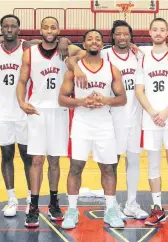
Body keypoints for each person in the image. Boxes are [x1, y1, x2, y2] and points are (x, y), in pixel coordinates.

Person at [65, 20, 149, 220]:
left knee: (134, 160)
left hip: (135, 114)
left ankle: (131, 203)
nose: (122, 37)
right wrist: (76, 68)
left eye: (125, 34)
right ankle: (114, 205)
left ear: (131, 36)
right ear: (111, 37)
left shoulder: (139, 55)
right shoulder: (104, 53)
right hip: (112, 117)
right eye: (118, 34)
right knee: (111, 164)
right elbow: (71, 57)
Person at [59, 29, 127, 229]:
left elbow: (122, 99)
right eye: (90, 39)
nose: (94, 42)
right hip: (81, 124)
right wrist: (82, 101)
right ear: (84, 44)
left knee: (108, 168)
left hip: (104, 124)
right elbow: (62, 98)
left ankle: (110, 210)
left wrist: (104, 100)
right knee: (75, 167)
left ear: (102, 44)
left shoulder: (112, 69)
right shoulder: (74, 69)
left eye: (98, 39)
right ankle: (72, 211)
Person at [17, 16, 78, 226]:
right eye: (46, 27)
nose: (50, 30)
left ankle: (53, 202)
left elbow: (89, 52)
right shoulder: (30, 53)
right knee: (36, 160)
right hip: (37, 111)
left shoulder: (67, 50)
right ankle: (33, 205)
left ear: (59, 29)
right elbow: (22, 81)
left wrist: (67, 41)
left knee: (54, 160)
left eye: (54, 27)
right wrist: (20, 102)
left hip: (60, 111)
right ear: (40, 30)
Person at [135, 18, 168, 228]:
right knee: (153, 164)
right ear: (149, 32)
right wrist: (152, 112)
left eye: (162, 30)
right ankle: (157, 208)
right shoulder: (143, 56)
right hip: (150, 119)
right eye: (155, 29)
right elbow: (139, 89)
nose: (158, 32)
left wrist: (165, 112)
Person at [0, 14, 33, 217]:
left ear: (19, 29)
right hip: (1, 112)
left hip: (23, 111)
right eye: (5, 26)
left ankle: (30, 198)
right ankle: (11, 199)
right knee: (6, 155)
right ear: (1, 29)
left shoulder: (27, 48)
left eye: (13, 26)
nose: (9, 29)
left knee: (27, 157)